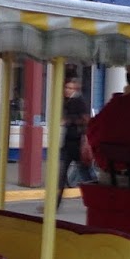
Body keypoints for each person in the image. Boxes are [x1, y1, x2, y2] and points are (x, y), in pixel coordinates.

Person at [55, 74, 92, 210]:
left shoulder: (79, 101)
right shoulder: (67, 101)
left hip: (77, 144)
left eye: (70, 87)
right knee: (62, 176)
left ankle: (95, 199)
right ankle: (55, 205)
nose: (67, 90)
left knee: (85, 175)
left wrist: (69, 120)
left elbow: (85, 119)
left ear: (76, 88)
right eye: (66, 87)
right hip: (69, 143)